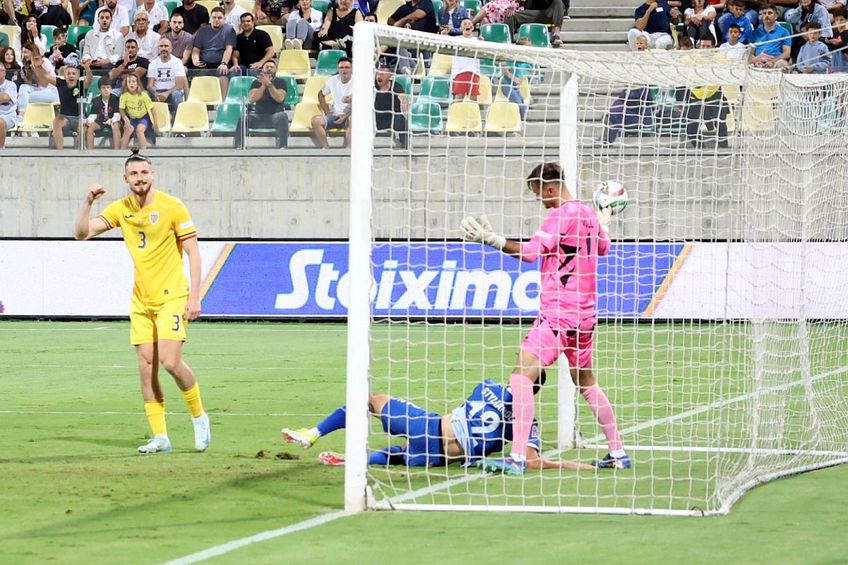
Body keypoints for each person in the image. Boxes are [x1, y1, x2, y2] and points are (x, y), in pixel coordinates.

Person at [460, 162, 629, 475]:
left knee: (521, 376)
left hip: (558, 314)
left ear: (550, 188)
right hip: (586, 316)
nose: (540, 200)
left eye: (539, 193)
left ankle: (519, 456)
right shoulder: (588, 215)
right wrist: (603, 222)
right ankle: (617, 451)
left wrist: (491, 239)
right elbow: (604, 248)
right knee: (586, 382)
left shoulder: (559, 215)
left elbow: (529, 253)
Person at [73, 151, 210, 455]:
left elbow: (194, 252)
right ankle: (161, 437)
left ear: (153, 174)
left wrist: (195, 296)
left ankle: (199, 417)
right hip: (141, 301)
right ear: (126, 179)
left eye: (144, 173)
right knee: (146, 367)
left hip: (172, 297)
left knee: (171, 362)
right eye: (134, 174)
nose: (140, 178)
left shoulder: (172, 206)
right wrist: (88, 202)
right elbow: (81, 234)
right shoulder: (120, 209)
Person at [282, 374, 594, 471]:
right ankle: (354, 459)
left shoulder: (489, 386)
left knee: (373, 399)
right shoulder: (528, 423)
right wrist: (575, 466)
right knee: (400, 456)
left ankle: (313, 433)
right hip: (441, 459)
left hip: (430, 428)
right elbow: (532, 461)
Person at [235, 58, 288, 148]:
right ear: (262, 69)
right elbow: (252, 99)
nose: (269, 68)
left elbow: (279, 98)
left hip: (275, 115)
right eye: (267, 67)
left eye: (272, 67)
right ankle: (239, 146)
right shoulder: (256, 82)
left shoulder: (281, 82)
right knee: (244, 118)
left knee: (282, 116)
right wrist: (263, 85)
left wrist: (269, 85)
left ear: (276, 69)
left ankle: (283, 146)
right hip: (258, 115)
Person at [191, 6, 236, 96]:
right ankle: (204, 103)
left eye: (219, 18)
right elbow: (196, 50)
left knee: (223, 75)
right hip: (204, 64)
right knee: (197, 75)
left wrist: (224, 63)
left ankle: (223, 103)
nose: (216, 20)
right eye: (214, 17)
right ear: (210, 19)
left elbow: (229, 49)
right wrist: (195, 60)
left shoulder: (229, 30)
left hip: (221, 63)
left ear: (224, 18)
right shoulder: (202, 31)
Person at [311, 56, 352, 148]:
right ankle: (326, 148)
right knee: (315, 120)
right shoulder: (332, 80)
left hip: (350, 116)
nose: (344, 70)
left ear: (351, 69)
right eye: (341, 67)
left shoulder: (357, 81)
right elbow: (320, 95)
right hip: (335, 116)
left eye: (347, 67)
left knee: (353, 119)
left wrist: (345, 116)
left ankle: (349, 149)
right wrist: (327, 112)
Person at [51, 62, 90, 149]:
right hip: (65, 118)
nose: (71, 76)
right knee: (56, 122)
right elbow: (45, 77)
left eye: (73, 73)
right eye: (68, 73)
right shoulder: (61, 83)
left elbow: (90, 80)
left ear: (77, 76)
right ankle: (60, 152)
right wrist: (36, 66)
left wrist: (87, 68)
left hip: (80, 118)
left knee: (83, 126)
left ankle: (79, 152)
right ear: (64, 76)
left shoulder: (81, 84)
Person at [17, 43, 60, 118]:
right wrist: (24, 78)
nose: (24, 55)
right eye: (23, 52)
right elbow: (35, 84)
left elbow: (45, 84)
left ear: (32, 52)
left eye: (26, 52)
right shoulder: (30, 65)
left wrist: (37, 68)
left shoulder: (44, 61)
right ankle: (21, 115)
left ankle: (21, 117)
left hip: (51, 91)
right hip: (40, 89)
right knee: (23, 87)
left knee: (23, 98)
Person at [119, 73, 158, 149]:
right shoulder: (124, 96)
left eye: (134, 81)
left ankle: (143, 152)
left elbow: (152, 109)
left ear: (137, 83)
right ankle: (122, 153)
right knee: (127, 130)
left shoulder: (143, 95)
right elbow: (121, 110)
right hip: (132, 118)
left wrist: (155, 123)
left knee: (139, 131)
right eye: (129, 82)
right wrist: (126, 121)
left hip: (143, 118)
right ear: (126, 84)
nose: (131, 84)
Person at [147, 37, 189, 106]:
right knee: (145, 95)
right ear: (158, 49)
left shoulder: (177, 62)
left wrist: (166, 93)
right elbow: (149, 85)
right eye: (161, 46)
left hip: (173, 91)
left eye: (166, 46)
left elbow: (180, 85)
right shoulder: (152, 63)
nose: (163, 48)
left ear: (171, 49)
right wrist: (156, 94)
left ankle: (177, 116)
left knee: (176, 95)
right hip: (158, 92)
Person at [374, 64, 408, 148]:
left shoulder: (396, 86)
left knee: (401, 119)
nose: (379, 76)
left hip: (392, 119)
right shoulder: (372, 87)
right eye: (378, 74)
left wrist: (403, 102)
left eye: (382, 74)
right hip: (376, 118)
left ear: (390, 76)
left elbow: (403, 98)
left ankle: (405, 144)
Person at [499, 36, 533, 119]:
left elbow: (528, 72)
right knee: (519, 106)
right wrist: (514, 78)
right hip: (507, 85)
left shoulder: (525, 61)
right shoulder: (513, 58)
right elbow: (505, 71)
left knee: (523, 106)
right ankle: (516, 125)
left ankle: (519, 124)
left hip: (515, 87)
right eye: (527, 47)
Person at [84, 75, 122, 148]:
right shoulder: (96, 100)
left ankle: (117, 151)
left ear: (111, 89)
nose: (106, 90)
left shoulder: (115, 99)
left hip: (113, 120)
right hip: (101, 120)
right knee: (90, 128)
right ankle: (89, 152)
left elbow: (117, 114)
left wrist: (112, 120)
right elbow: (93, 114)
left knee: (115, 126)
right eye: (103, 88)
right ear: (100, 89)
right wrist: (88, 120)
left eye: (108, 87)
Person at [750, 4, 791, 69]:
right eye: (764, 13)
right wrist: (757, 59)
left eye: (770, 13)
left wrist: (772, 61)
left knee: (783, 64)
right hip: (758, 62)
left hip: (776, 62)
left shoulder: (784, 32)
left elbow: (787, 53)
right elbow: (750, 54)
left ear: (776, 16)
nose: (766, 15)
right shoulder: (755, 33)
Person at [450, 19, 480, 101]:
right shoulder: (455, 39)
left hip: (474, 72)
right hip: (459, 72)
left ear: (473, 27)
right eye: (465, 24)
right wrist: (443, 35)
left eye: (469, 23)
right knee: (458, 98)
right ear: (461, 28)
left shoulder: (478, 41)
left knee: (473, 99)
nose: (467, 25)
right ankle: (455, 114)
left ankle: (474, 114)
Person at [0, 64, 16, 149]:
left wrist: (3, 97)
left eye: (1, 70)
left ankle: (1, 149)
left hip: (8, 115)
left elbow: (5, 98)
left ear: (5, 72)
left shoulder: (11, 85)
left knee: (0, 122)